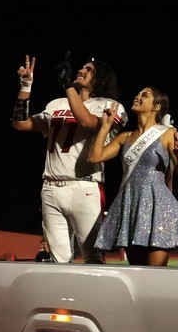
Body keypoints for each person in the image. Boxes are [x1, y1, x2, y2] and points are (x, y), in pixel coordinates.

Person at [11, 51, 128, 264]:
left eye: (89, 70)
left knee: (93, 256)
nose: (81, 70)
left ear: (101, 80)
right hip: (51, 187)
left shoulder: (110, 106)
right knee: (59, 259)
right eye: (82, 67)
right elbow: (20, 124)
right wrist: (26, 86)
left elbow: (87, 123)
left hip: (84, 187)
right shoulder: (57, 104)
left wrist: (68, 86)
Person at [89, 87, 178, 266]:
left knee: (156, 274)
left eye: (144, 95)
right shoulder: (125, 137)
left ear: (156, 107)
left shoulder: (167, 133)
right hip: (131, 205)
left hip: (157, 208)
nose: (137, 96)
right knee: (137, 272)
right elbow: (95, 157)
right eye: (137, 94)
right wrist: (105, 127)